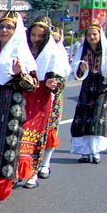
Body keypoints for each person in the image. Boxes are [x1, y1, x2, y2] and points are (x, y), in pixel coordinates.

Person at [0, 13, 38, 212]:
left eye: (9, 28)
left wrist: (20, 73)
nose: (4, 31)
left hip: (12, 105)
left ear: (16, 31)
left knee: (6, 148)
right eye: (2, 27)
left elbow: (31, 86)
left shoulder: (22, 53)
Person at [18, 17, 69, 185]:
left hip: (42, 99)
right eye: (33, 35)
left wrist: (51, 83)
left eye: (40, 36)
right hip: (24, 98)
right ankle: (18, 171)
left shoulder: (52, 53)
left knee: (37, 136)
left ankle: (33, 172)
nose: (36, 39)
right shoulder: (22, 49)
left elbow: (59, 79)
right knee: (19, 134)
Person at [69, 23, 107, 164]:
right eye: (89, 35)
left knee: (97, 119)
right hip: (86, 87)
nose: (92, 37)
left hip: (102, 87)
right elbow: (75, 70)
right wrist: (81, 67)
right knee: (82, 118)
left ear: (99, 35)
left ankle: (95, 151)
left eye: (94, 34)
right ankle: (84, 152)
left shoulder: (106, 50)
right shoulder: (83, 50)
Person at [39, 27, 71, 177]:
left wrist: (54, 85)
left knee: (50, 131)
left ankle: (45, 163)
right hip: (35, 96)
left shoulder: (60, 54)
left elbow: (65, 75)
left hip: (53, 98)